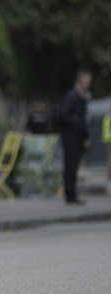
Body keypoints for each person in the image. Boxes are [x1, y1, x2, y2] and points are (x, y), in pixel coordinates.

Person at [58, 70, 92, 204]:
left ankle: (72, 194)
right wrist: (78, 123)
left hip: (77, 137)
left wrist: (85, 137)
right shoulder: (72, 96)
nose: (87, 85)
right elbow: (64, 115)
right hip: (71, 137)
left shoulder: (81, 96)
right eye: (85, 82)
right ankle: (70, 195)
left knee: (74, 166)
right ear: (79, 81)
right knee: (70, 166)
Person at [102, 101, 111, 193]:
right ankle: (109, 181)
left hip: (107, 140)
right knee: (110, 161)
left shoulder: (107, 116)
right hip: (109, 141)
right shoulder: (109, 117)